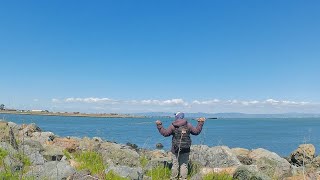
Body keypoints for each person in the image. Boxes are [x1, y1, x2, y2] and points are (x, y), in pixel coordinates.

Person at [155, 112, 206, 180]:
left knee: (175, 164)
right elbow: (196, 132)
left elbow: (165, 133)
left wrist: (159, 125)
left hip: (175, 149)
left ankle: (173, 178)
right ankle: (183, 178)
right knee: (184, 164)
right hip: (186, 148)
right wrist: (200, 123)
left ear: (177, 117)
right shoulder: (188, 125)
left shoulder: (173, 125)